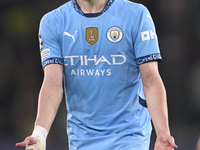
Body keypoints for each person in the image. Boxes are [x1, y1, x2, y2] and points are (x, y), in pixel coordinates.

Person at [16, 0, 178, 149]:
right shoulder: (53, 21)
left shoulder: (137, 15)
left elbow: (150, 79)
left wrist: (163, 132)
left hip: (129, 134)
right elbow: (53, 83)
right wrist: (39, 133)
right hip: (81, 138)